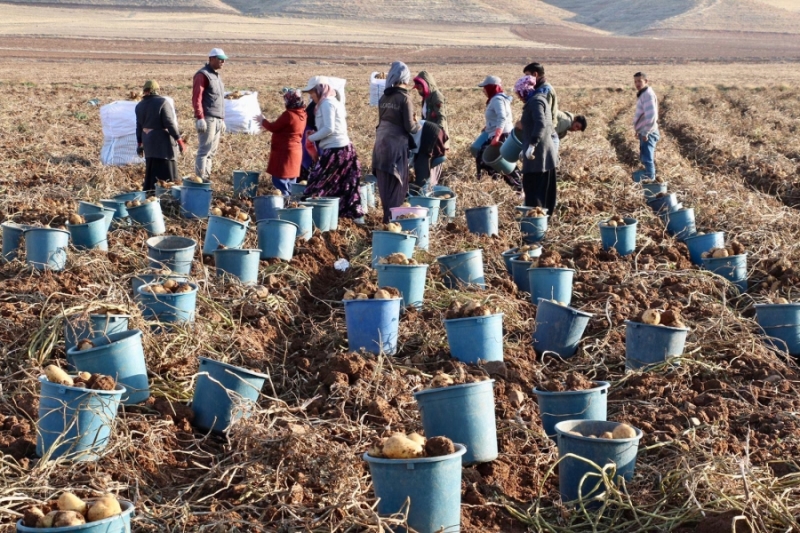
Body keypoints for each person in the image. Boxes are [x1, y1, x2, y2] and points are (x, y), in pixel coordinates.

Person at [301, 77, 364, 222]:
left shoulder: (327, 104)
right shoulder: (332, 102)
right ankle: (350, 217)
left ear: (320, 90)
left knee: (317, 182)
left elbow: (329, 128)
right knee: (345, 183)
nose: (311, 96)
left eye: (312, 92)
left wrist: (311, 138)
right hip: (343, 148)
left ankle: (310, 218)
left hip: (336, 150)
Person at [372, 61, 421, 223]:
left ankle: (387, 218)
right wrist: (418, 124)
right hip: (395, 147)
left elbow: (383, 120)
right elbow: (410, 127)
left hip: (380, 145)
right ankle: (394, 222)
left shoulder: (384, 97)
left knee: (384, 185)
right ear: (406, 78)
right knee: (397, 186)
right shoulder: (404, 99)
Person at [515, 75, 558, 214]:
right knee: (540, 188)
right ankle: (542, 219)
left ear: (524, 91)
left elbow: (541, 123)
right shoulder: (537, 100)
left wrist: (532, 144)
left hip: (539, 155)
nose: (519, 97)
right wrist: (525, 146)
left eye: (519, 94)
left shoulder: (535, 102)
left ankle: (536, 222)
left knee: (534, 189)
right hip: (541, 153)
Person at [135, 80, 185, 193]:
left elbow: (138, 127)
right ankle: (167, 197)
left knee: (152, 172)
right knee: (167, 174)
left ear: (145, 91)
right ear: (157, 90)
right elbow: (170, 123)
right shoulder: (163, 102)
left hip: (148, 143)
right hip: (163, 145)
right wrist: (179, 140)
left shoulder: (139, 105)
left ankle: (150, 194)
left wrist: (140, 144)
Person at [255, 89, 307, 196]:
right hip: (296, 151)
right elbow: (286, 128)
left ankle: (284, 204)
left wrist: (262, 120)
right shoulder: (303, 114)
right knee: (291, 180)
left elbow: (274, 127)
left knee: (280, 180)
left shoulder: (289, 115)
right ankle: (292, 203)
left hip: (284, 152)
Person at [475, 75, 520, 189]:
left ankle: (517, 187)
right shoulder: (498, 99)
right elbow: (498, 117)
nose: (483, 90)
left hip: (501, 135)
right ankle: (513, 186)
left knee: (489, 160)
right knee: (502, 162)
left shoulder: (497, 99)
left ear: (491, 87)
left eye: (485, 87)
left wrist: (497, 135)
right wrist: (488, 127)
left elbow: (502, 117)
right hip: (500, 134)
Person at [192, 48, 227, 181]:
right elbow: (197, 98)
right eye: (220, 59)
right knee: (204, 151)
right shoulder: (203, 75)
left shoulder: (216, 76)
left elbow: (219, 99)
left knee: (211, 152)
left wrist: (222, 119)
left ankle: (206, 178)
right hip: (208, 118)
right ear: (211, 59)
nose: (223, 62)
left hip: (217, 119)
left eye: (224, 59)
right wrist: (200, 117)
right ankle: (200, 181)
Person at [412, 71, 449, 187]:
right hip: (428, 136)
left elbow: (441, 118)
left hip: (436, 137)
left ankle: (431, 189)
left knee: (433, 165)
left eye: (420, 88)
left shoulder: (436, 96)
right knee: (424, 163)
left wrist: (439, 137)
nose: (418, 91)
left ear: (426, 85)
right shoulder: (426, 98)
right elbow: (426, 117)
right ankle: (425, 186)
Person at [523, 62, 560, 152]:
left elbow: (543, 117)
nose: (525, 79)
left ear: (535, 74)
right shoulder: (538, 89)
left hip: (546, 134)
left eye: (527, 75)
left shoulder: (545, 90)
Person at [633, 72, 659, 179]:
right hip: (645, 131)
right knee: (645, 158)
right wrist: (638, 130)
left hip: (648, 132)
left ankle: (651, 183)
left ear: (646, 81)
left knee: (648, 159)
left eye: (639, 81)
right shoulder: (644, 94)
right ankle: (649, 179)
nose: (637, 84)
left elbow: (652, 116)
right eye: (635, 81)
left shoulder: (647, 95)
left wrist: (645, 132)